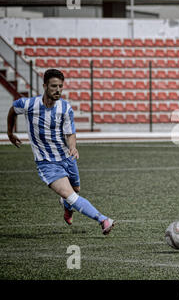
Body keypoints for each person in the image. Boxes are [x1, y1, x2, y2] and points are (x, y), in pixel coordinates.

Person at [7, 69, 115, 234]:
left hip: (66, 157)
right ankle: (103, 220)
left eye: (60, 86)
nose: (57, 90)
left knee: (76, 190)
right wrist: (10, 132)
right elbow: (13, 110)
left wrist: (73, 146)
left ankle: (66, 207)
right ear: (44, 86)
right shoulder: (28, 105)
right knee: (71, 195)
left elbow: (70, 133)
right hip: (46, 162)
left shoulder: (64, 108)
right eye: (53, 86)